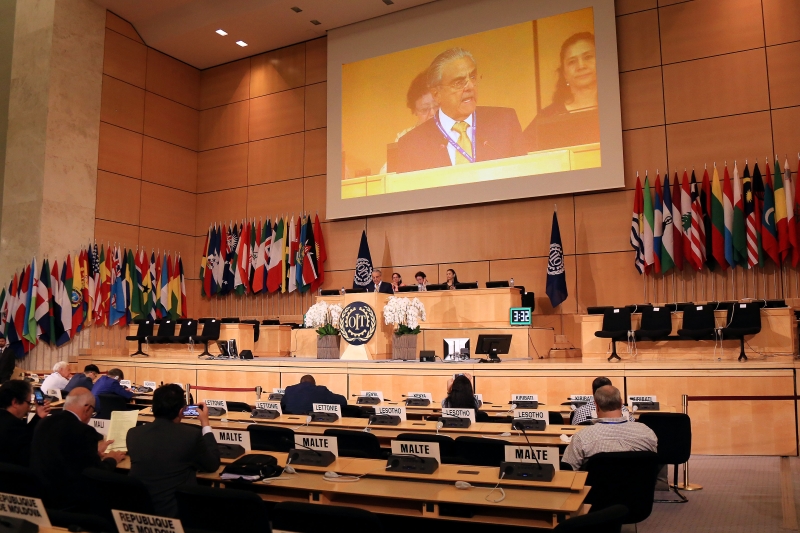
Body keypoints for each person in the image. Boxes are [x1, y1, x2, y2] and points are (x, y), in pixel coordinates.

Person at [396, 48, 527, 173]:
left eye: (473, 77)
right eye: (459, 83)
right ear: (436, 94)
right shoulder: (411, 145)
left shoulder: (505, 122)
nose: (470, 86)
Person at [127, 385, 220, 518]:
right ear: (182, 411)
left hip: (139, 512)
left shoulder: (133, 434)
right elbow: (212, 464)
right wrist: (205, 423)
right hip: (176, 514)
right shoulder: (191, 436)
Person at [30, 387, 126, 510]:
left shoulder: (43, 422)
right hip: (72, 502)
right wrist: (112, 459)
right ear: (87, 408)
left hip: (42, 497)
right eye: (93, 412)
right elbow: (95, 473)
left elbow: (65, 455)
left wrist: (93, 452)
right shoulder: (84, 431)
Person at [524, 32, 599, 152]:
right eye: (572, 61)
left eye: (588, 57)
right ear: (564, 74)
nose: (581, 66)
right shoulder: (547, 117)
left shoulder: (618, 107)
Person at [562, 385, 657, 471]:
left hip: (595, 490)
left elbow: (567, 471)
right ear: (621, 403)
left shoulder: (581, 438)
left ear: (596, 406)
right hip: (639, 490)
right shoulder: (647, 433)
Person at [381, 71, 439, 173]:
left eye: (437, 106)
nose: (432, 113)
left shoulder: (459, 128)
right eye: (425, 109)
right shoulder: (404, 138)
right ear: (415, 111)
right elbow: (387, 174)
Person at [0, 380, 50, 466]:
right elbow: (30, 456)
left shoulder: (8, 421)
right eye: (28, 403)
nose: (29, 409)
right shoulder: (14, 427)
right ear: (15, 402)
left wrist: (38, 417)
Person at [281, 375, 347, 415]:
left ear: (300, 383)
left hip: (292, 424)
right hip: (312, 422)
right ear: (314, 384)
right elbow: (343, 401)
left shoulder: (289, 390)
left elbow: (282, 406)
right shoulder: (321, 390)